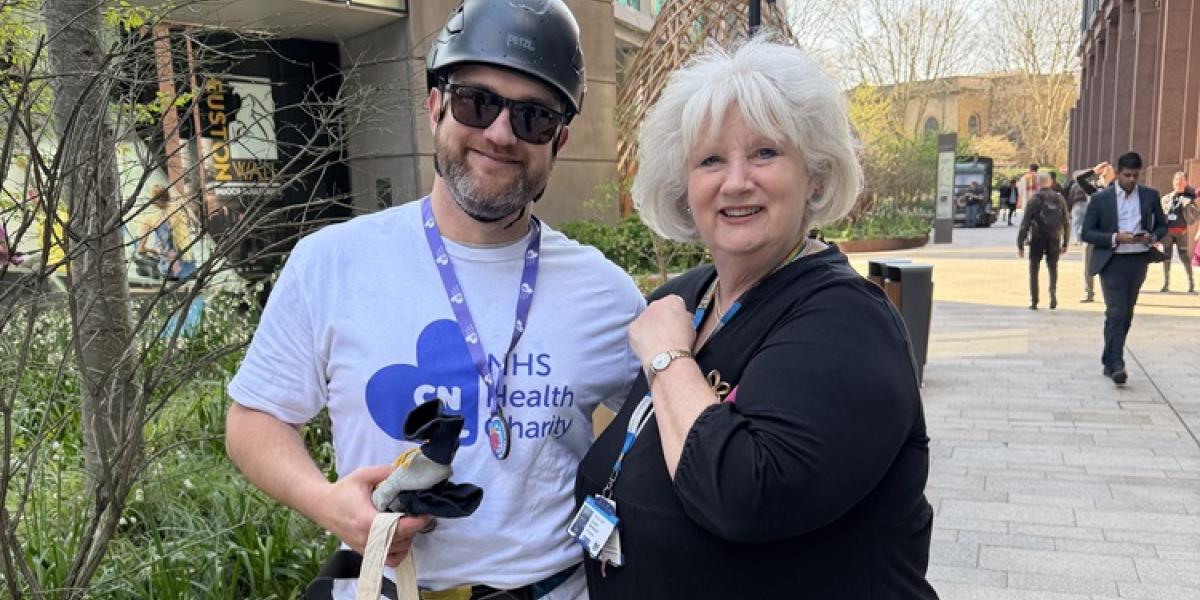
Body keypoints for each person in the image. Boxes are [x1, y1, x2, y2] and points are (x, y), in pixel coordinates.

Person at [225, 1, 644, 599]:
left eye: (533, 117)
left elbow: (669, 436)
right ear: (435, 105)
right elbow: (254, 418)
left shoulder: (606, 292)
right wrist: (327, 504)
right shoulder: (333, 262)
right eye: (478, 101)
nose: (500, 133)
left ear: (559, 141)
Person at [574, 38, 937, 599]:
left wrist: (669, 361)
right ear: (684, 185)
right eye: (711, 159)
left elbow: (743, 497)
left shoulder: (846, 320)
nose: (736, 181)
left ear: (814, 176)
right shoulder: (685, 299)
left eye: (765, 153)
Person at [1081, 152, 1167, 386]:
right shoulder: (1102, 199)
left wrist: (1152, 236)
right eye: (1127, 175)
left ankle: (1109, 358)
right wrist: (1115, 237)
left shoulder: (1150, 196)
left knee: (1126, 314)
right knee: (1116, 311)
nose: (1131, 179)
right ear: (1118, 173)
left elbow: (1162, 225)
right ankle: (1117, 364)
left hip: (1138, 260)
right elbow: (1086, 233)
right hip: (1112, 261)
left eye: (1135, 176)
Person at [1017, 172, 1070, 309]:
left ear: (1038, 183)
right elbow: (1066, 222)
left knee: (1034, 268)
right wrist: (1065, 242)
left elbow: (1025, 222)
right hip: (1054, 237)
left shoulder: (1035, 199)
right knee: (1053, 267)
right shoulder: (1059, 199)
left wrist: (1020, 243)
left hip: (1037, 237)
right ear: (1051, 182)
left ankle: (1034, 300)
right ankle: (1052, 294)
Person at [1073, 161, 1115, 302]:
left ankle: (1111, 293)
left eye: (1108, 171)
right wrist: (1094, 171)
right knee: (1088, 263)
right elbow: (1079, 179)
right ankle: (1088, 292)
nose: (1105, 173)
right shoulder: (1094, 190)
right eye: (1103, 172)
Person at [137, 186, 196, 280]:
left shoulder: (150, 218)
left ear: (153, 201)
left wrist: (152, 250)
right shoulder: (181, 213)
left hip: (169, 270)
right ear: (168, 197)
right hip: (190, 268)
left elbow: (140, 249)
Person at [1159, 171, 1195, 293]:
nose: (1178, 183)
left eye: (1181, 181)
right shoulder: (1166, 198)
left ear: (1185, 183)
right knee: (1166, 257)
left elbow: (1194, 213)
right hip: (1167, 232)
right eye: (1176, 181)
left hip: (1181, 232)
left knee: (1184, 257)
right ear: (1173, 182)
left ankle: (1191, 283)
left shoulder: (1188, 198)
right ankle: (1166, 283)